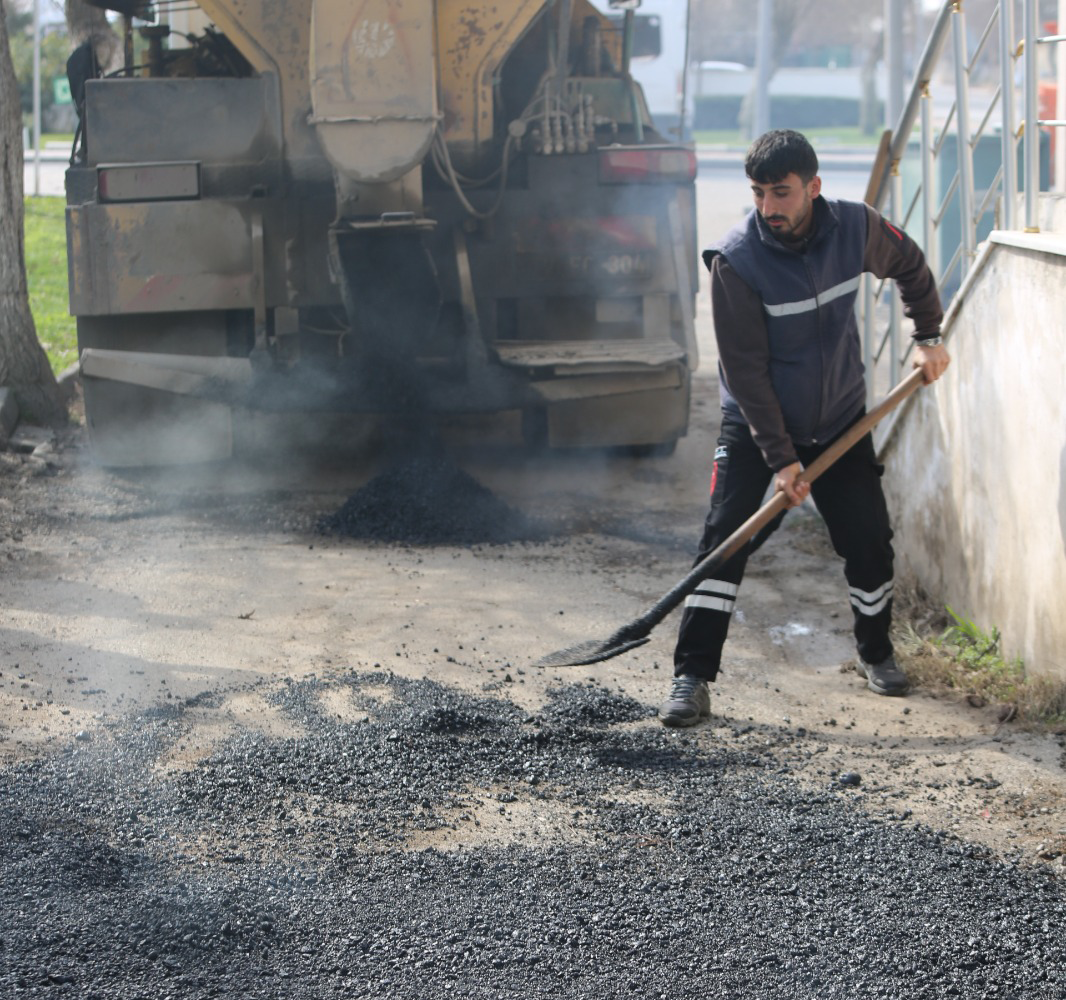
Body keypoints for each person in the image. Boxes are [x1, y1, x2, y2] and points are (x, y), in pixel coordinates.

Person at [659, 129, 950, 729]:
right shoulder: (735, 261)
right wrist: (782, 459)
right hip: (756, 423)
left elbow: (913, 266)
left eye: (782, 193)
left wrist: (928, 337)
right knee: (725, 541)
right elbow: (745, 373)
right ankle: (691, 675)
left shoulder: (857, 229)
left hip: (841, 419)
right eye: (759, 193)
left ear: (813, 188)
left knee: (868, 539)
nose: (769, 207)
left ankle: (877, 653)